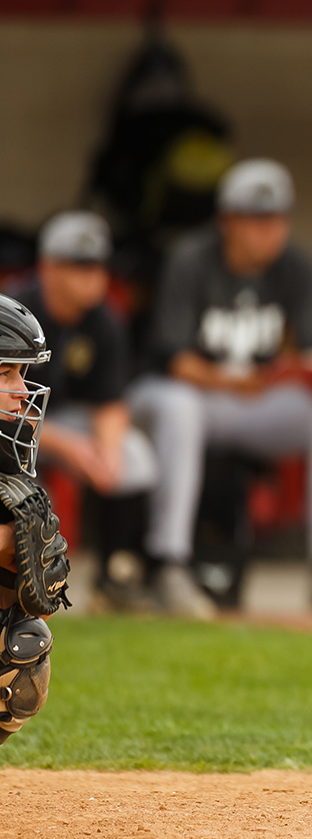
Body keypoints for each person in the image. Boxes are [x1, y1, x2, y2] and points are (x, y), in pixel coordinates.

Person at [128, 159, 312, 619]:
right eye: (256, 219)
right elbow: (172, 359)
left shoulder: (295, 266)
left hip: (255, 401)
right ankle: (170, 564)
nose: (270, 231)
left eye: (277, 219)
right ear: (227, 220)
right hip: (186, 397)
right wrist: (236, 381)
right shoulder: (192, 258)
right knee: (179, 407)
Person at [21, 211, 159, 609]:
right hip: (13, 425)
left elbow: (111, 402)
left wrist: (107, 449)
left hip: (66, 421)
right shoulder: (13, 310)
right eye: (79, 266)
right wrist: (68, 446)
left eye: (97, 266)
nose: (93, 277)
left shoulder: (105, 320)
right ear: (48, 268)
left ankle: (116, 577)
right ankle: (21, 589)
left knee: (133, 457)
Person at [0, 293, 74, 745]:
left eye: (21, 373)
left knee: (22, 642)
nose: (22, 390)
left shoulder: (6, 455)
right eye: (5, 373)